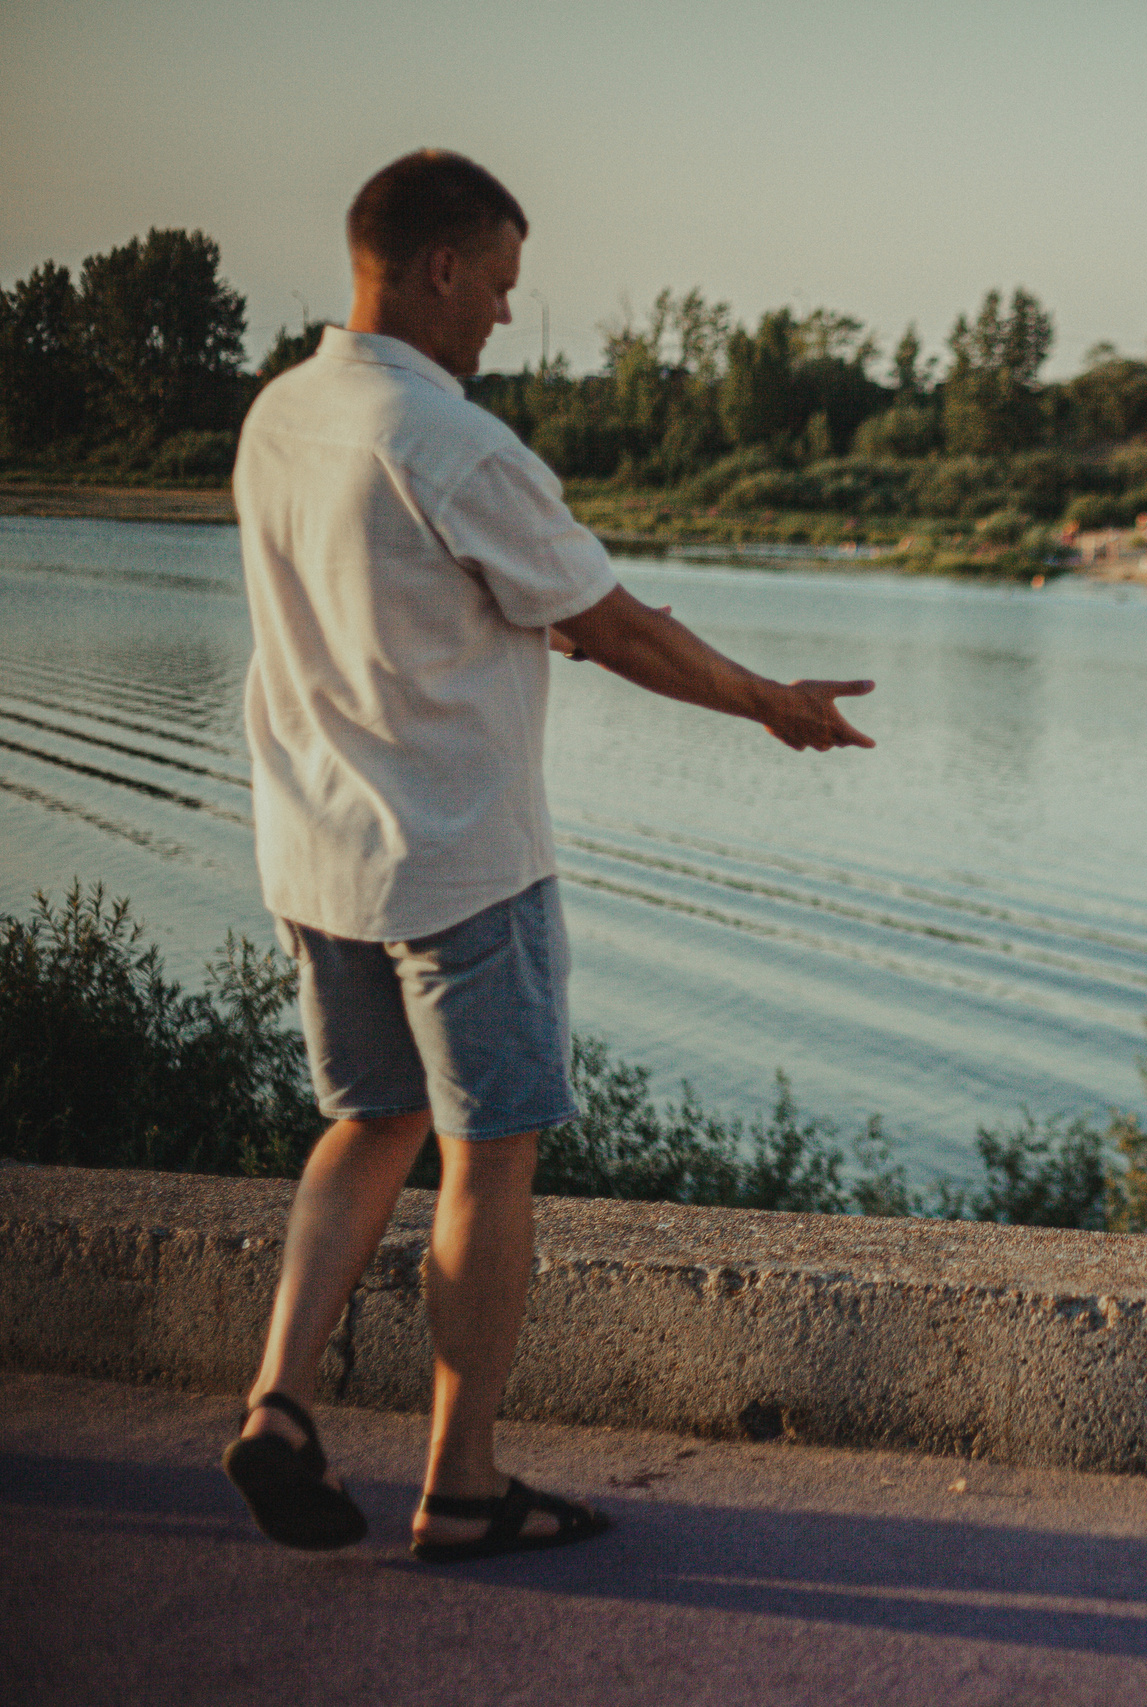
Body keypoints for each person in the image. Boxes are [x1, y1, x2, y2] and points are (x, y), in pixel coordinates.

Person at [221, 149, 876, 1562]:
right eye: (503, 285)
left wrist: (559, 618)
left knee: (367, 1122)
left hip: (318, 854)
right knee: (484, 1160)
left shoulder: (282, 414)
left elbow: (468, 599)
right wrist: (773, 702)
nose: (508, 318)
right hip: (462, 861)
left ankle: (278, 1401)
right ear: (443, 268)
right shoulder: (451, 441)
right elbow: (617, 623)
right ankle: (460, 1481)